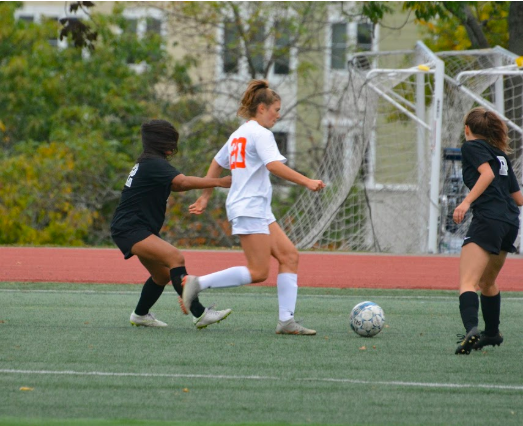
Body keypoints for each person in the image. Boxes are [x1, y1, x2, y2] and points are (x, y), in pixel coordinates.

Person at [181, 79, 326, 335]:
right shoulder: (260, 133)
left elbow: (216, 163)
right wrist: (307, 181)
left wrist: (205, 196)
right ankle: (197, 283)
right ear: (262, 108)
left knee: (289, 256)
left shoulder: (239, 133)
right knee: (258, 271)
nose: (278, 116)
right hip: (249, 208)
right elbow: (274, 166)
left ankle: (286, 321)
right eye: (276, 110)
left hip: (256, 208)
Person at [111, 119, 233, 329]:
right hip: (130, 228)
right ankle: (200, 313)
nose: (173, 145)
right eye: (171, 140)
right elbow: (182, 182)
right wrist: (219, 182)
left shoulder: (149, 162)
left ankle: (140, 315)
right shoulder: (153, 163)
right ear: (162, 143)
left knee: (161, 275)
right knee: (175, 257)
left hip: (133, 226)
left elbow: (174, 185)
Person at [453, 107, 523, 355]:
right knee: (488, 282)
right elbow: (518, 198)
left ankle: (471, 329)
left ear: (468, 129)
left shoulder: (471, 147)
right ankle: (492, 333)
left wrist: (465, 202)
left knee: (468, 282)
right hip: (510, 222)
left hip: (490, 219)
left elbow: (487, 174)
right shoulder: (500, 154)